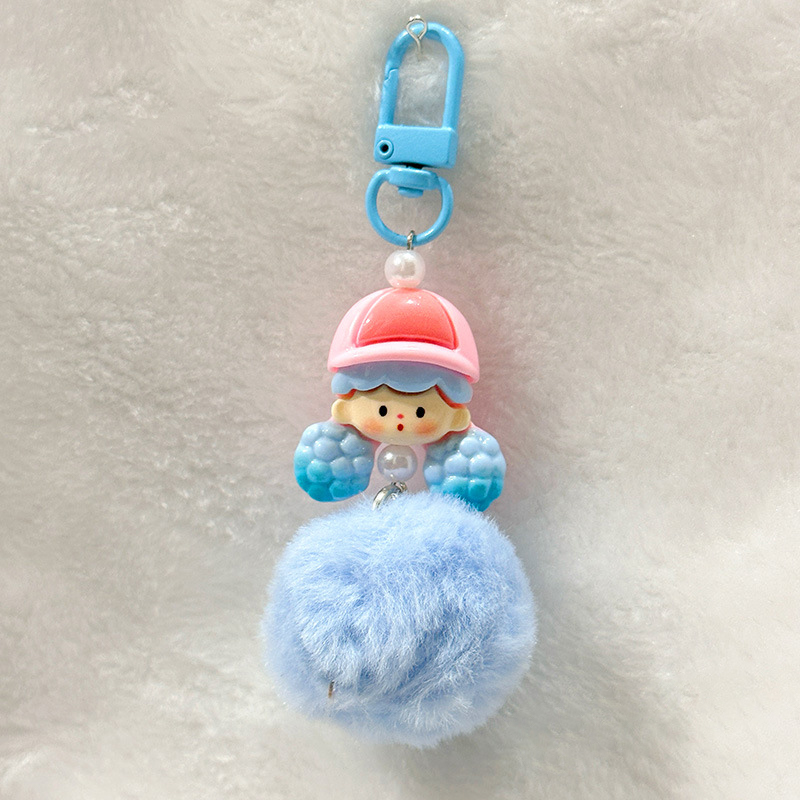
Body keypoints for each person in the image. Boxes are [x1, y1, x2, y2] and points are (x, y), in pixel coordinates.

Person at [294, 284, 505, 511]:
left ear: (457, 418)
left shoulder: (466, 452)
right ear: (343, 410)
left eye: (420, 412)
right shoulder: (335, 446)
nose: (401, 419)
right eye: (383, 410)